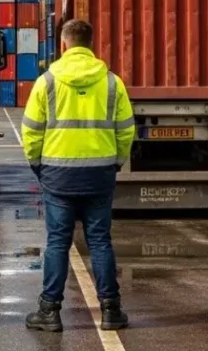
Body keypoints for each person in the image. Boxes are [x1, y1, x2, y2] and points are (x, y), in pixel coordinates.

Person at [20, 18, 135, 332]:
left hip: (58, 175)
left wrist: (37, 165)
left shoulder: (46, 82)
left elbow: (30, 131)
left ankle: (49, 311)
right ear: (91, 44)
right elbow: (126, 131)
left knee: (58, 242)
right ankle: (111, 309)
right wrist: (116, 162)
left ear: (63, 44)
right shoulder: (112, 82)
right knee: (100, 241)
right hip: (99, 174)